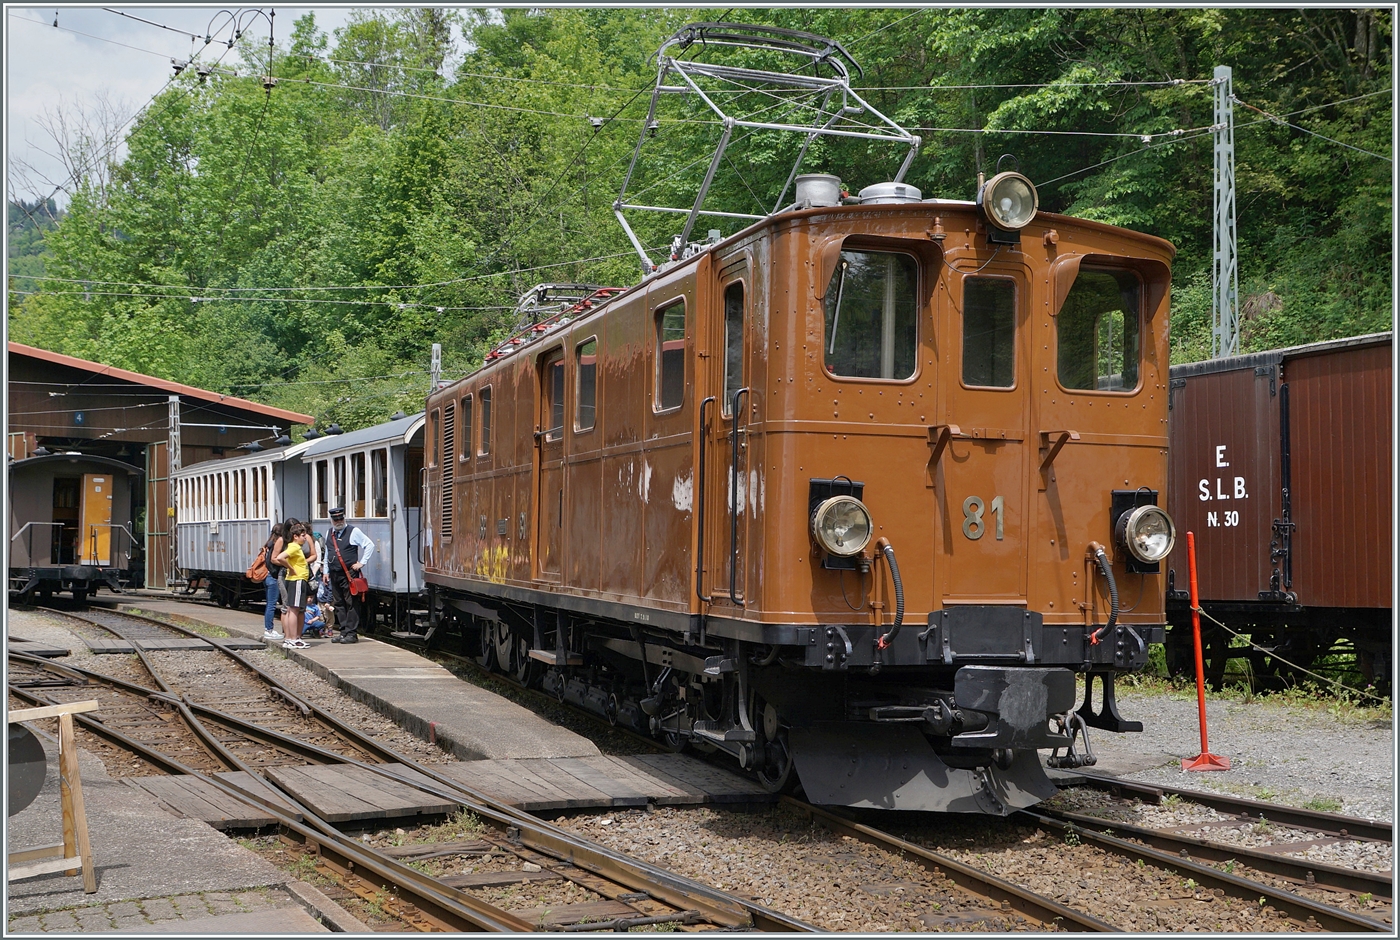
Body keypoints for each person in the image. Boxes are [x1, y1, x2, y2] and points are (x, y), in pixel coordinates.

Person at [323, 506, 374, 644]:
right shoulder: (329, 533)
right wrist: (325, 571)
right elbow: (328, 553)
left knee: (351, 603)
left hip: (349, 574)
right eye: (336, 519)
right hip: (334, 573)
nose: (338, 521)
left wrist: (362, 563)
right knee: (339, 603)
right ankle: (344, 631)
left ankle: (352, 633)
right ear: (332, 520)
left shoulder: (353, 531)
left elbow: (369, 545)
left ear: (344, 518)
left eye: (341, 518)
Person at [273, 522, 318, 650]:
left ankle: (291, 639)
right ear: (295, 536)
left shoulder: (295, 547)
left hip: (298, 579)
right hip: (297, 579)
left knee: (294, 608)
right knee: (294, 609)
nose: (305, 538)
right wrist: (291, 568)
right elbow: (280, 557)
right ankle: (293, 639)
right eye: (303, 535)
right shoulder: (295, 547)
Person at [262, 522, 287, 641]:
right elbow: (274, 560)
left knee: (269, 604)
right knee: (272, 605)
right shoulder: (278, 543)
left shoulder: (269, 543)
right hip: (273, 577)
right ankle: (269, 630)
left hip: (267, 576)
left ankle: (269, 629)